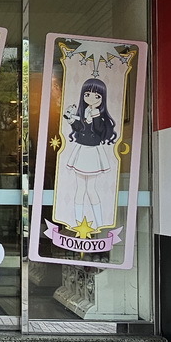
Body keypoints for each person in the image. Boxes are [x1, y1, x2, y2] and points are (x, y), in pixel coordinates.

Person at [55, 77, 118, 229]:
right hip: (82, 151)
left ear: (102, 98)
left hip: (93, 153)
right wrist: (71, 119)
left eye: (97, 96)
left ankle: (99, 223)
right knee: (80, 189)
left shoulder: (99, 115)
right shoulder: (84, 112)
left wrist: (95, 115)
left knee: (91, 189)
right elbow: (79, 128)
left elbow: (99, 130)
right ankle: (77, 223)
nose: (91, 98)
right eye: (87, 94)